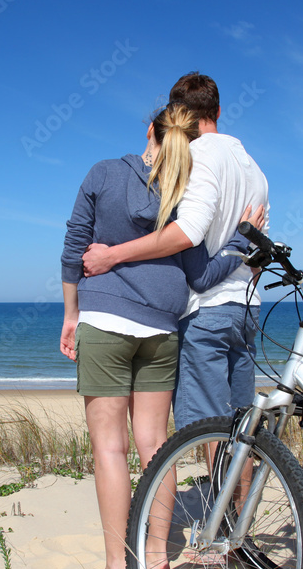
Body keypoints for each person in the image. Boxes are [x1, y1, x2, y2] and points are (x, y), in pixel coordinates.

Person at [60, 102, 263, 569]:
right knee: (156, 444)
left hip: (106, 318)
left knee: (110, 448)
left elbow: (73, 249)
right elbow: (200, 272)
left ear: (149, 130)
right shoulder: (182, 190)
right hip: (164, 327)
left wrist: (71, 315)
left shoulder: (104, 173)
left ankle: (117, 566)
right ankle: (156, 555)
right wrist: (240, 243)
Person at [82, 72, 270, 430]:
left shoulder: (195, 155)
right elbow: (258, 256)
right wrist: (241, 245)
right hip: (246, 308)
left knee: (207, 428)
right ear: (218, 110)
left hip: (206, 314)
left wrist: (112, 255)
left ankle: (216, 490)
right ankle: (240, 490)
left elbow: (187, 232)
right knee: (241, 425)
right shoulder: (254, 168)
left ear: (176, 114)